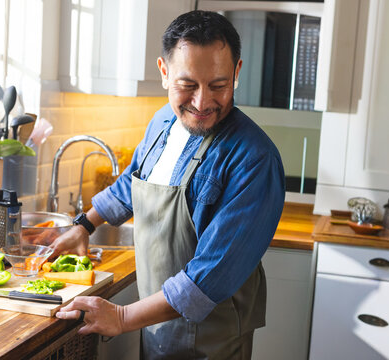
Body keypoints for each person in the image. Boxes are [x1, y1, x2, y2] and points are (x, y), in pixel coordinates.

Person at [53, 10, 285, 359]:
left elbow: (209, 276)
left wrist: (120, 315)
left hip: (212, 344)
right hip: (158, 329)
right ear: (164, 72)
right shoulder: (163, 121)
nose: (202, 102)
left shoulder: (254, 160)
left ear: (236, 73)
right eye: (187, 85)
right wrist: (86, 224)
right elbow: (132, 183)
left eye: (218, 85)